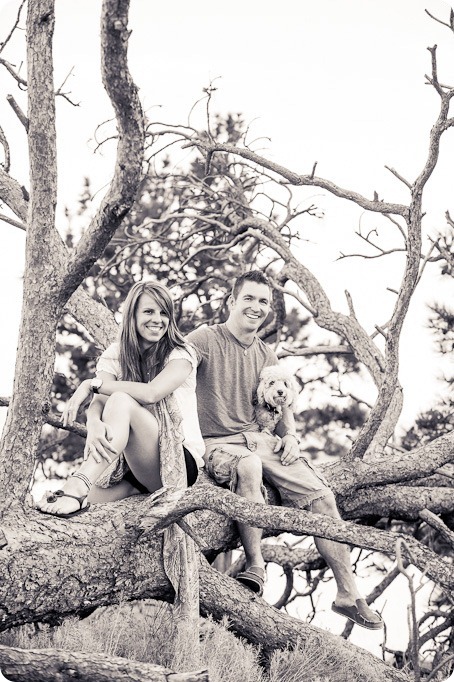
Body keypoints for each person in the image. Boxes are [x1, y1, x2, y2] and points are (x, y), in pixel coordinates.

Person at [186, 270, 384, 631]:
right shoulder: (204, 339)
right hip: (219, 444)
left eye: (263, 301)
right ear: (231, 301)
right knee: (247, 465)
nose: (257, 307)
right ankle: (256, 567)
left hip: (264, 441)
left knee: (323, 496)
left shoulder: (265, 352)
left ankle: (347, 594)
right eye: (249, 298)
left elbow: (282, 402)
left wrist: (290, 435)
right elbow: (169, 369)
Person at [36, 280, 204, 517]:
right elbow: (100, 400)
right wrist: (93, 423)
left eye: (164, 312)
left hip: (178, 459)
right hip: (135, 466)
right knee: (78, 514)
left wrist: (90, 384)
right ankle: (78, 491)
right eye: (148, 311)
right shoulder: (116, 354)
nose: (158, 319)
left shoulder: (180, 353)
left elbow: (151, 393)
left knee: (121, 400)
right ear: (132, 316)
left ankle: (77, 483)